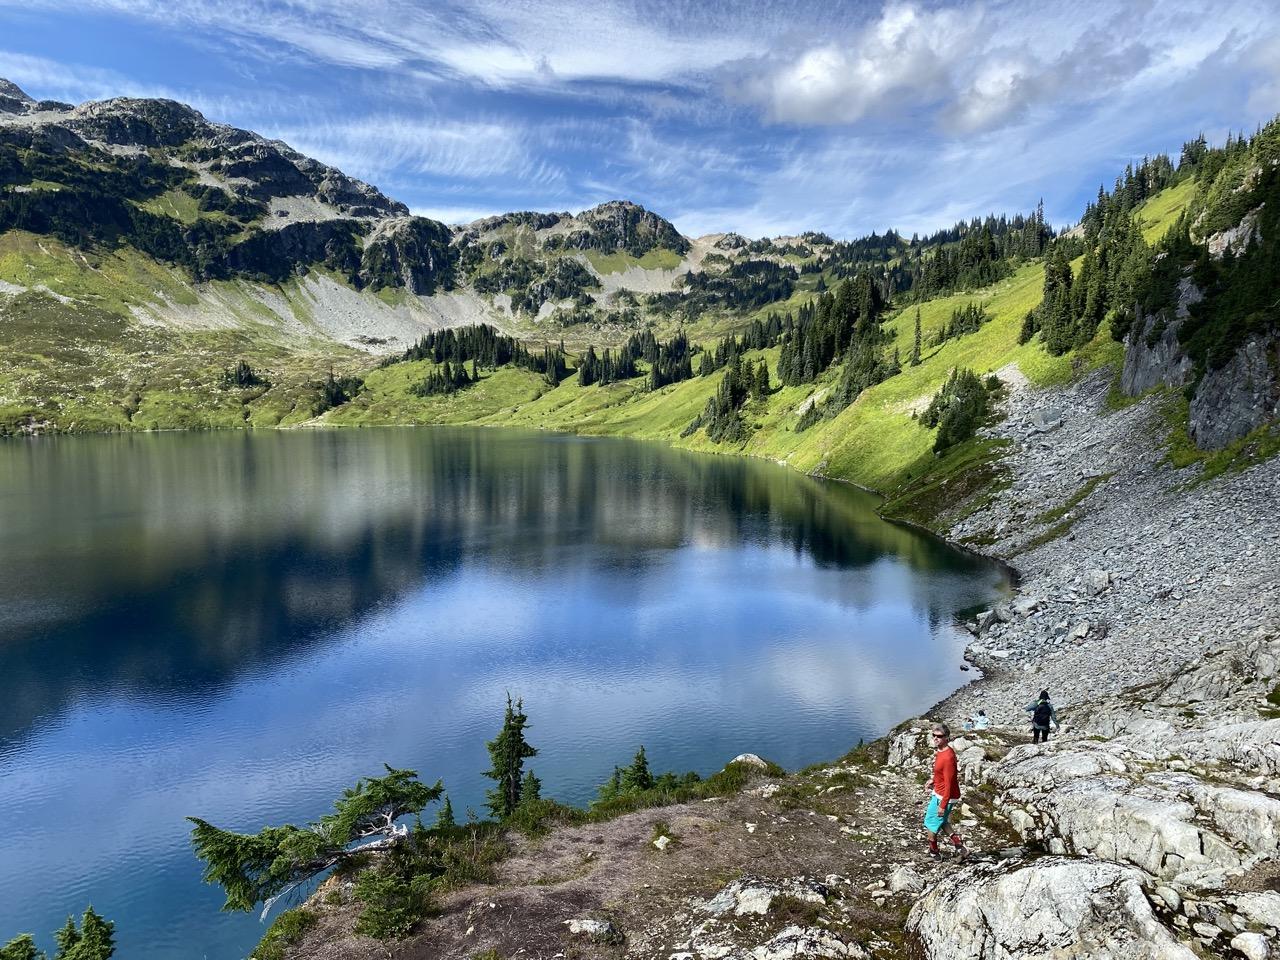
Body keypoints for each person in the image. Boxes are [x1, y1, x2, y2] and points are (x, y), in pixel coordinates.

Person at [923, 722, 965, 859]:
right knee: (943, 821)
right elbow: (941, 774)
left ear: (947, 737)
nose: (935, 738)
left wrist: (942, 805)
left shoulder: (948, 757)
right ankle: (959, 845)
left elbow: (949, 783)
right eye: (933, 735)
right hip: (940, 792)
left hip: (944, 796)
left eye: (939, 736)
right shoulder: (942, 751)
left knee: (930, 822)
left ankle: (934, 853)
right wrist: (933, 780)